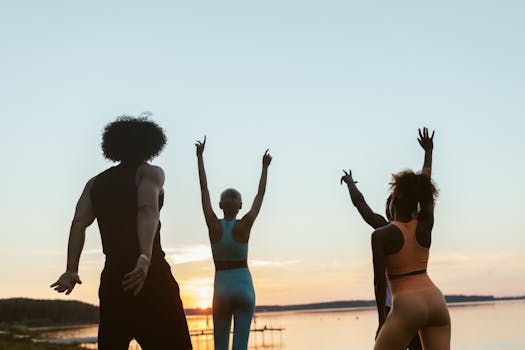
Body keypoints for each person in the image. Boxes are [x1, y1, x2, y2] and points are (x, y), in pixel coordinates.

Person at [50, 116, 192, 350]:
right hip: (150, 274)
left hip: (114, 278)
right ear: (151, 145)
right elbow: (146, 209)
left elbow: (78, 223)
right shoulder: (150, 173)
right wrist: (145, 257)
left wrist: (71, 269)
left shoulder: (95, 183)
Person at [341, 127, 434, 350]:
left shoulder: (385, 230)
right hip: (422, 303)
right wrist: (429, 153)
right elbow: (362, 205)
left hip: (396, 309)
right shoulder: (421, 228)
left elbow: (362, 207)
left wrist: (382, 319)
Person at [195, 136, 271, 350]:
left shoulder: (213, 225)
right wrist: (265, 167)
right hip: (244, 286)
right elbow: (260, 195)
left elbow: (203, 189)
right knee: (241, 345)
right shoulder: (245, 224)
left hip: (221, 287)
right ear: (240, 206)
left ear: (220, 205)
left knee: (220, 346)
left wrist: (200, 157)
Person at [371, 169, 450, 349]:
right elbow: (427, 193)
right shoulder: (425, 225)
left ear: (396, 197)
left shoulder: (381, 235)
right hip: (437, 303)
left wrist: (382, 321)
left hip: (407, 306)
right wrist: (428, 153)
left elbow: (379, 282)